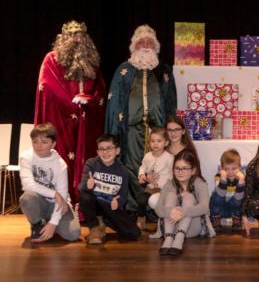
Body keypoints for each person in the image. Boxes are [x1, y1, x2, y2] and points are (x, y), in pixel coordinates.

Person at [105, 25, 177, 212]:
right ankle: (134, 209)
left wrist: (170, 128)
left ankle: (155, 210)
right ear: (134, 46)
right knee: (134, 169)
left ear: (156, 46)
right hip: (131, 130)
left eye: (149, 42)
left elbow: (170, 100)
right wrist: (114, 131)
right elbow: (114, 103)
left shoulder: (164, 70)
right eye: (141, 42)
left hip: (157, 130)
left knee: (159, 170)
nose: (145, 45)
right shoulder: (124, 70)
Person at [34, 20, 107, 203]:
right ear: (64, 37)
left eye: (81, 34)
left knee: (87, 161)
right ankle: (61, 204)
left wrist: (88, 99)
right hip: (62, 121)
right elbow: (47, 86)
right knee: (63, 161)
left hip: (87, 121)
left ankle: (84, 207)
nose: (77, 38)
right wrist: (71, 103)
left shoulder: (92, 62)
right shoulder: (52, 59)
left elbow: (100, 90)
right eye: (73, 34)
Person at [19, 123, 81, 243]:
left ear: (53, 144)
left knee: (73, 235)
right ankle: (37, 224)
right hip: (39, 202)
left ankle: (49, 222)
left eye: (44, 142)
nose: (39, 146)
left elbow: (62, 196)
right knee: (27, 198)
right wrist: (55, 194)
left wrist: (53, 223)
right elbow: (28, 185)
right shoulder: (26, 156)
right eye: (35, 141)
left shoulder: (60, 164)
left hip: (58, 205)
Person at [78, 134, 141, 244]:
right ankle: (95, 226)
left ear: (117, 151)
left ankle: (103, 221)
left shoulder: (123, 171)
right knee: (85, 196)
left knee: (134, 234)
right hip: (95, 203)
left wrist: (118, 203)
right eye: (101, 149)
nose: (105, 152)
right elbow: (82, 188)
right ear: (97, 152)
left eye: (109, 148)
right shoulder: (91, 163)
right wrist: (88, 186)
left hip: (109, 206)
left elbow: (123, 195)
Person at [155, 149, 215, 256]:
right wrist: (171, 211)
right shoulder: (169, 184)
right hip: (171, 227)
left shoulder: (200, 183)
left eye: (185, 168)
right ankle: (168, 238)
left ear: (193, 170)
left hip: (192, 227)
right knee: (170, 195)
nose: (180, 172)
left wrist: (182, 211)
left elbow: (205, 207)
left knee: (188, 196)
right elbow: (158, 208)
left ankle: (179, 238)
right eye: (177, 168)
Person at [136, 127, 174, 237]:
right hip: (150, 187)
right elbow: (142, 167)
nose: (155, 144)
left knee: (159, 203)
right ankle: (141, 218)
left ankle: (162, 222)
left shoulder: (169, 158)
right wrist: (142, 175)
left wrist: (170, 187)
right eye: (152, 141)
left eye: (159, 141)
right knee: (141, 199)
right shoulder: (147, 156)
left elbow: (172, 174)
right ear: (149, 143)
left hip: (163, 188)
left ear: (166, 142)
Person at [209, 149, 245, 229]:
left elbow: (239, 199)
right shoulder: (219, 176)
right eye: (226, 169)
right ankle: (215, 218)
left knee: (239, 198)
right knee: (216, 197)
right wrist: (224, 178)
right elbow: (220, 195)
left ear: (240, 167)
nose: (230, 172)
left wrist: (241, 181)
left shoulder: (241, 178)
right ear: (222, 168)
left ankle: (236, 219)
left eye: (234, 168)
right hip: (221, 209)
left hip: (234, 209)